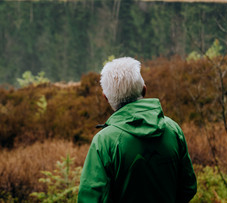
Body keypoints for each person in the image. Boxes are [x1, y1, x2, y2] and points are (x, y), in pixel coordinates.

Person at [77, 57, 197, 203]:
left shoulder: (104, 142)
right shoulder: (172, 129)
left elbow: (90, 199)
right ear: (144, 89)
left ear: (106, 98)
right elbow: (188, 187)